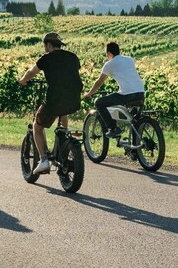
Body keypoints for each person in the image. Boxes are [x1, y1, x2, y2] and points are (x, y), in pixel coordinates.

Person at [18, 32, 83, 174]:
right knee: (63, 111)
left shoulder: (46, 59)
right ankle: (64, 141)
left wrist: (23, 80)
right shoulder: (73, 57)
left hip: (55, 99)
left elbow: (31, 72)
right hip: (74, 98)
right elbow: (73, 71)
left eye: (45, 45)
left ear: (48, 45)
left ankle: (44, 160)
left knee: (37, 125)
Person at [83, 41, 145, 138]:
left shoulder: (109, 64)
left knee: (99, 102)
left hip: (127, 94)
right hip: (140, 92)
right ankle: (135, 150)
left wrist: (89, 93)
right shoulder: (129, 59)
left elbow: (99, 82)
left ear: (109, 53)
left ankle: (114, 128)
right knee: (135, 121)